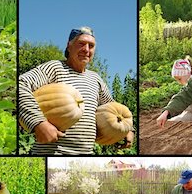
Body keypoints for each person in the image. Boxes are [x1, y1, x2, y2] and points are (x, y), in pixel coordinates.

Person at [19, 26, 134, 154]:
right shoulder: (55, 68)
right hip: (52, 153)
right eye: (81, 44)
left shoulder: (95, 79)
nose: (86, 50)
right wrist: (38, 123)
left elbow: (113, 108)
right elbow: (21, 85)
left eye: (91, 46)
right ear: (69, 46)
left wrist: (128, 129)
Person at [168, 57, 192, 122]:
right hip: (190, 113)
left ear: (187, 74)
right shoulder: (189, 84)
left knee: (171, 122)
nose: (179, 82)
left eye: (179, 79)